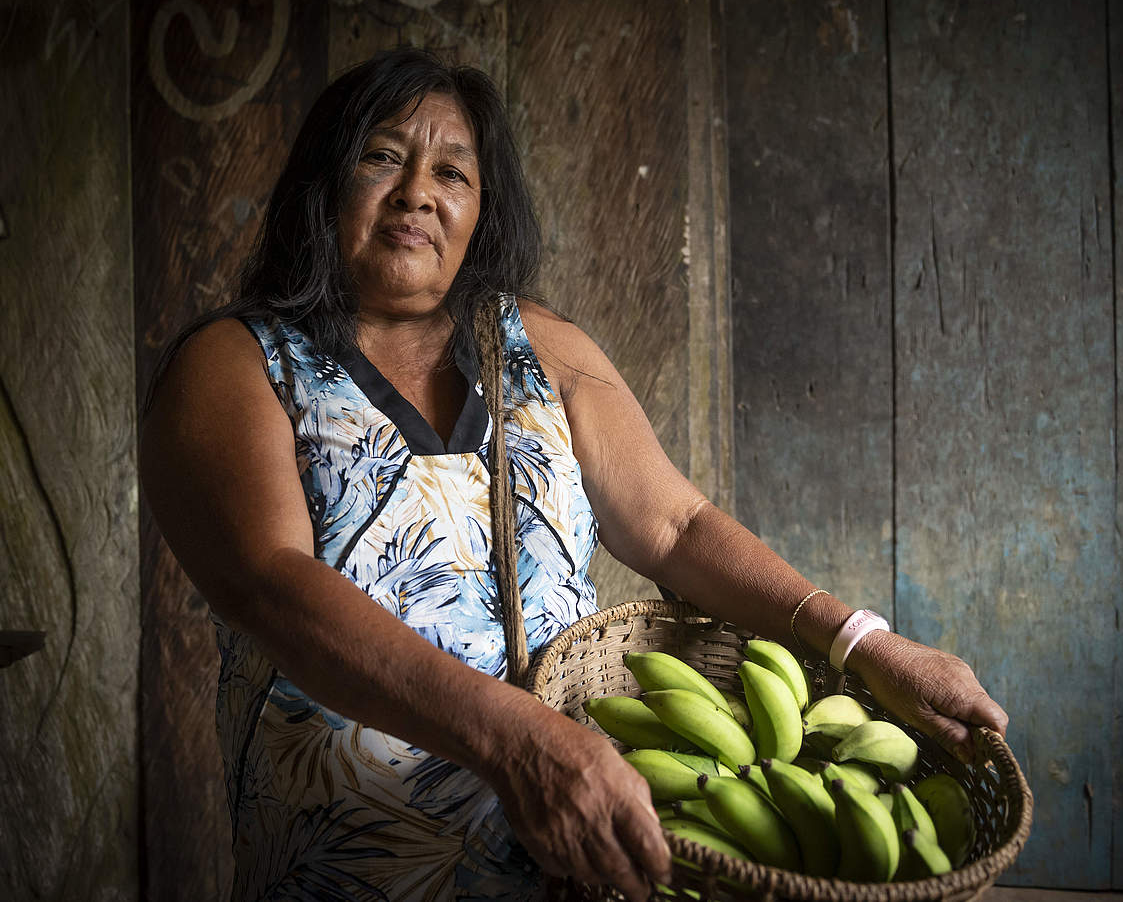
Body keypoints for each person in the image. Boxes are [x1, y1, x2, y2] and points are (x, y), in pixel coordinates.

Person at [140, 47, 1008, 902]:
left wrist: (863, 643)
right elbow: (273, 587)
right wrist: (514, 739)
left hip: (574, 855)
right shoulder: (238, 365)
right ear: (324, 182)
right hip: (347, 867)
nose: (417, 194)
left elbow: (675, 525)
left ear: (482, 208)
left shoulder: (538, 345)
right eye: (381, 157)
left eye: (453, 172)